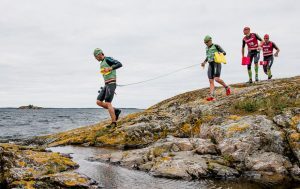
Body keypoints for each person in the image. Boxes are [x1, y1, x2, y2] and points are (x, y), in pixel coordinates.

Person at [94, 48, 122, 128]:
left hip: (111, 84)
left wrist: (110, 68)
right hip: (106, 85)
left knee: (108, 102)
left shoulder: (108, 59)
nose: (95, 59)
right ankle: (116, 110)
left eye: (96, 57)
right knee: (98, 101)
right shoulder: (102, 63)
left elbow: (119, 64)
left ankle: (114, 123)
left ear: (99, 54)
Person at [201, 35, 231, 101]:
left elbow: (224, 52)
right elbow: (208, 56)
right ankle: (212, 96)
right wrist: (204, 62)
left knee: (216, 79)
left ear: (210, 40)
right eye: (205, 42)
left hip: (216, 63)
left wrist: (217, 54)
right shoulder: (207, 48)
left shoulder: (216, 46)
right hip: (210, 64)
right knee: (211, 80)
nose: (206, 43)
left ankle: (227, 87)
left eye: (207, 42)